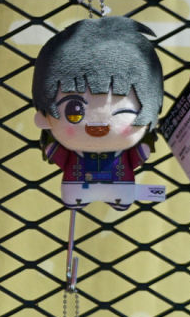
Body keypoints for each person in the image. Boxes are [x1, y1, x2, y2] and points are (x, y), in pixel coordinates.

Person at [33, 17, 164, 209]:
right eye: (74, 111)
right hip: (79, 186)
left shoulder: (120, 151)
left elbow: (139, 155)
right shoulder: (75, 151)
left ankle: (116, 199)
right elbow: (56, 154)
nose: (98, 127)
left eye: (121, 111)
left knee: (118, 195)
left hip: (117, 186)